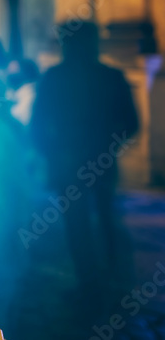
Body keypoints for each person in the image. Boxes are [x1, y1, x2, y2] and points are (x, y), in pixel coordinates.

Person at [30, 21, 139, 294]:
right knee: (99, 218)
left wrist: (52, 151)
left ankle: (93, 276)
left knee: (84, 221)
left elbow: (38, 124)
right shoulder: (108, 77)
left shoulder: (56, 77)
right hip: (91, 160)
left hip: (75, 161)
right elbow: (130, 122)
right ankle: (105, 274)